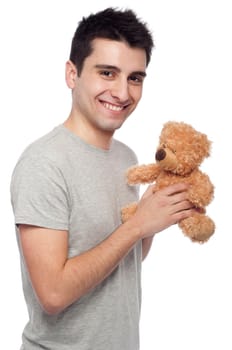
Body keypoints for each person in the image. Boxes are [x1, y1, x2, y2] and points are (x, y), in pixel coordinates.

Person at [10, 7, 195, 350]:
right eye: (107, 73)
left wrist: (155, 213)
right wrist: (139, 225)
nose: (123, 93)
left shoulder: (126, 157)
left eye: (135, 78)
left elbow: (126, 259)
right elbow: (53, 293)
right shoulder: (43, 163)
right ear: (72, 74)